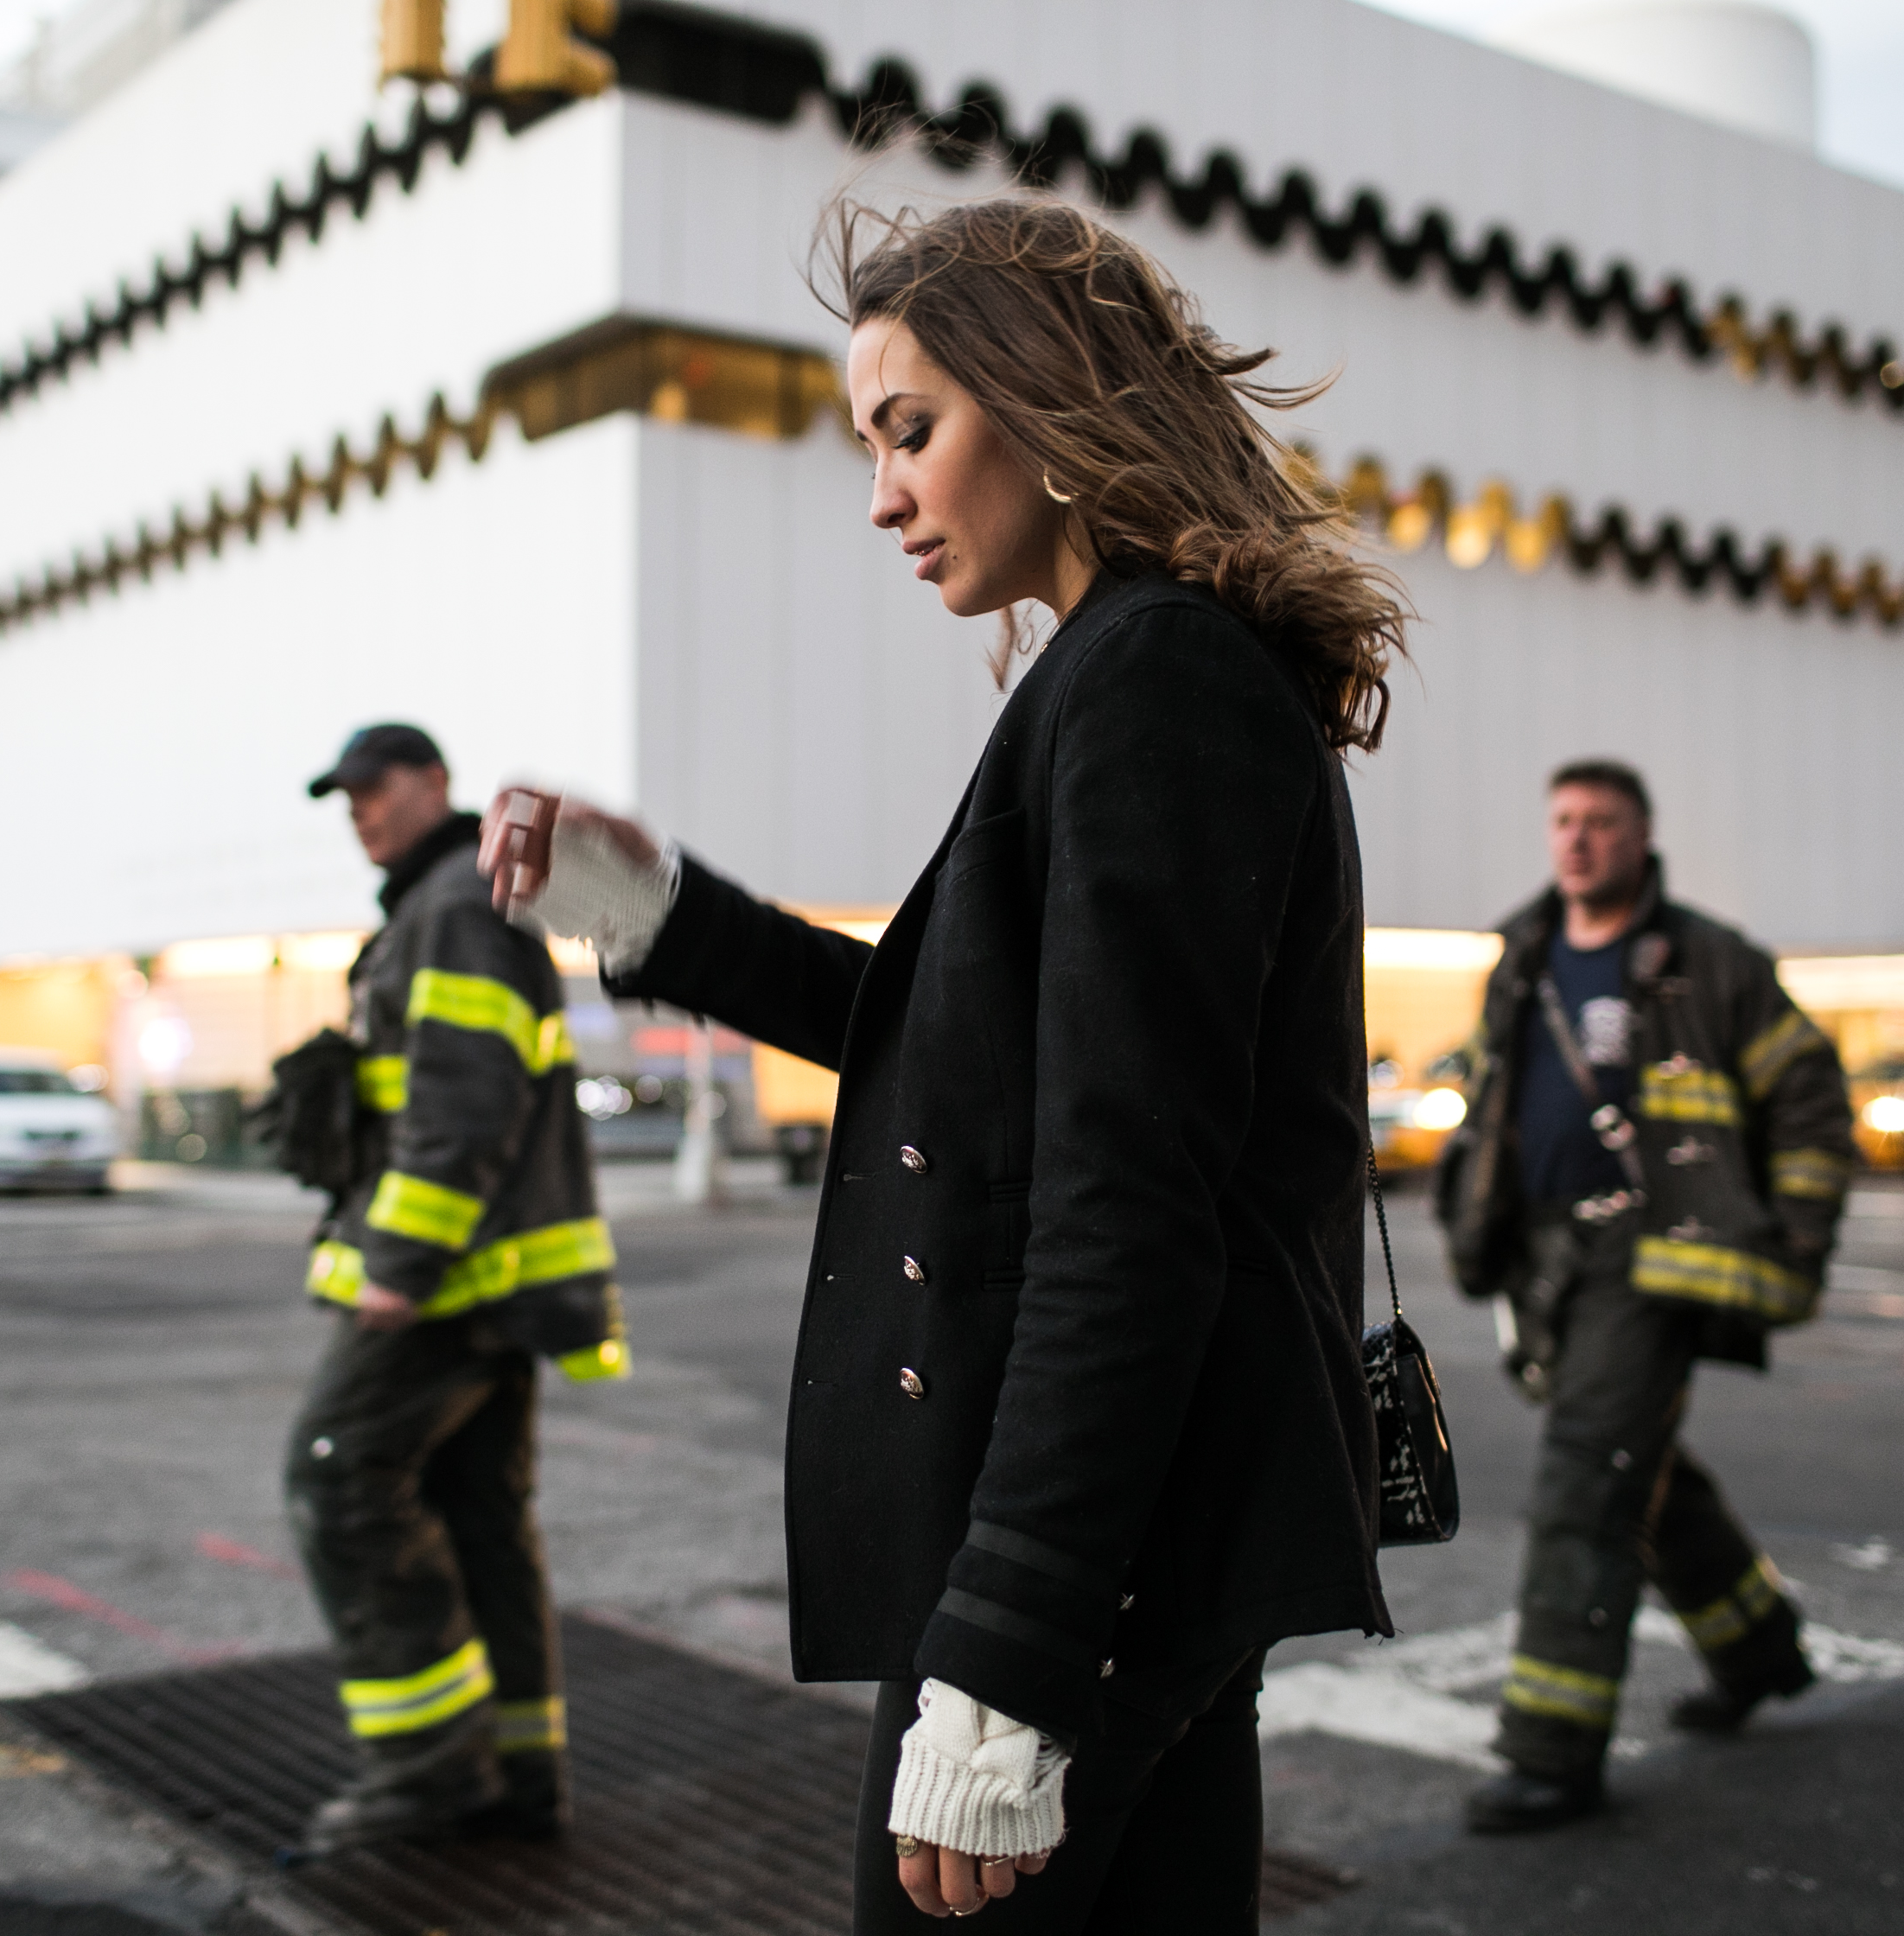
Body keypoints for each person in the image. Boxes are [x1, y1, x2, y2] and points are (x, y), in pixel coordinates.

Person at [477, 199, 1410, 1930]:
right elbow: (953, 1060)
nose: (884, 492)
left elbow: (1127, 1206)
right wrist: (646, 906)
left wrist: (1010, 1643)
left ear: (1054, 408)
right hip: (1146, 1544)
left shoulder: (1152, 677)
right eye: (868, 444)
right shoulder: (1123, 670)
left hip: (1086, 1559)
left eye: (912, 429)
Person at [1437, 761, 1856, 1833]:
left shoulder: (1708, 960)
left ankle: (1551, 1750)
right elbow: (1493, 1099)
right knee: (1637, 1461)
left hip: (1653, 1256)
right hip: (1547, 1258)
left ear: (1642, 835)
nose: (1578, 840)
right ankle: (1759, 1648)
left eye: (1601, 823)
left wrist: (1797, 1236)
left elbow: (1808, 1085)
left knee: (1587, 1477)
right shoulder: (1521, 955)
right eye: (1564, 822)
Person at [283, 723, 629, 1856]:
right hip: (488, 1287)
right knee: (480, 1516)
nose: (359, 810)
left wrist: (400, 1267)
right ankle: (518, 1777)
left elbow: (463, 1101)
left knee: (337, 1480)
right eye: (346, 798)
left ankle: (431, 1772)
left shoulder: (449, 907)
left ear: (433, 783)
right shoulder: (441, 905)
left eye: (374, 788)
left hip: (444, 1288)